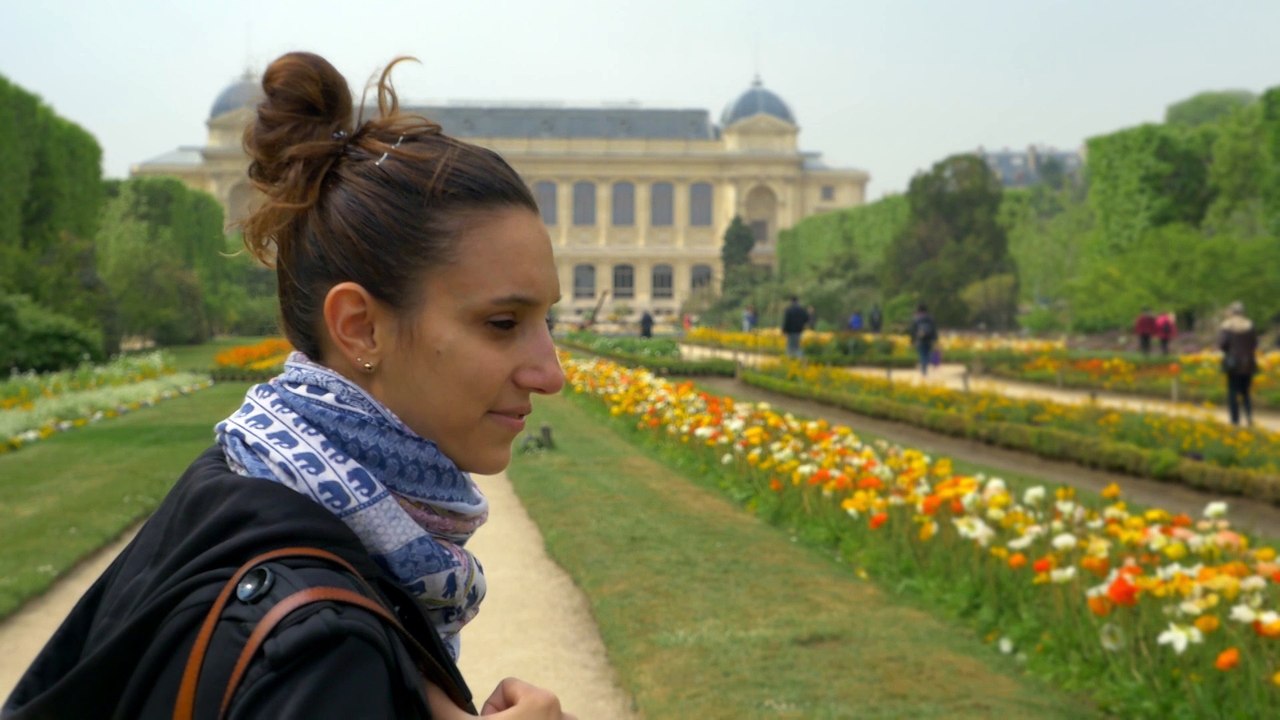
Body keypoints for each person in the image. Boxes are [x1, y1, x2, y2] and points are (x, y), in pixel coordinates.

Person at [3, 52, 574, 720]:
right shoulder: (326, 648)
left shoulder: (238, 481)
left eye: (547, 320)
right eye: (503, 323)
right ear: (359, 328)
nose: (552, 372)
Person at [1219, 301, 1259, 427]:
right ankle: (1249, 416)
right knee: (1246, 391)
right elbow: (1254, 343)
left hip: (1233, 364)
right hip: (1248, 363)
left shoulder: (1227, 326)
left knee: (1232, 391)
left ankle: (1234, 419)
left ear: (1232, 312)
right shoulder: (1249, 325)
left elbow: (1223, 344)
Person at [908, 304, 939, 376]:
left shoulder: (916, 318)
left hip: (920, 339)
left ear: (918, 310)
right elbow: (934, 329)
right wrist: (935, 339)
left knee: (922, 354)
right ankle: (931, 362)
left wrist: (912, 341)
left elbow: (913, 331)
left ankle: (924, 370)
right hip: (929, 339)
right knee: (927, 353)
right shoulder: (931, 318)